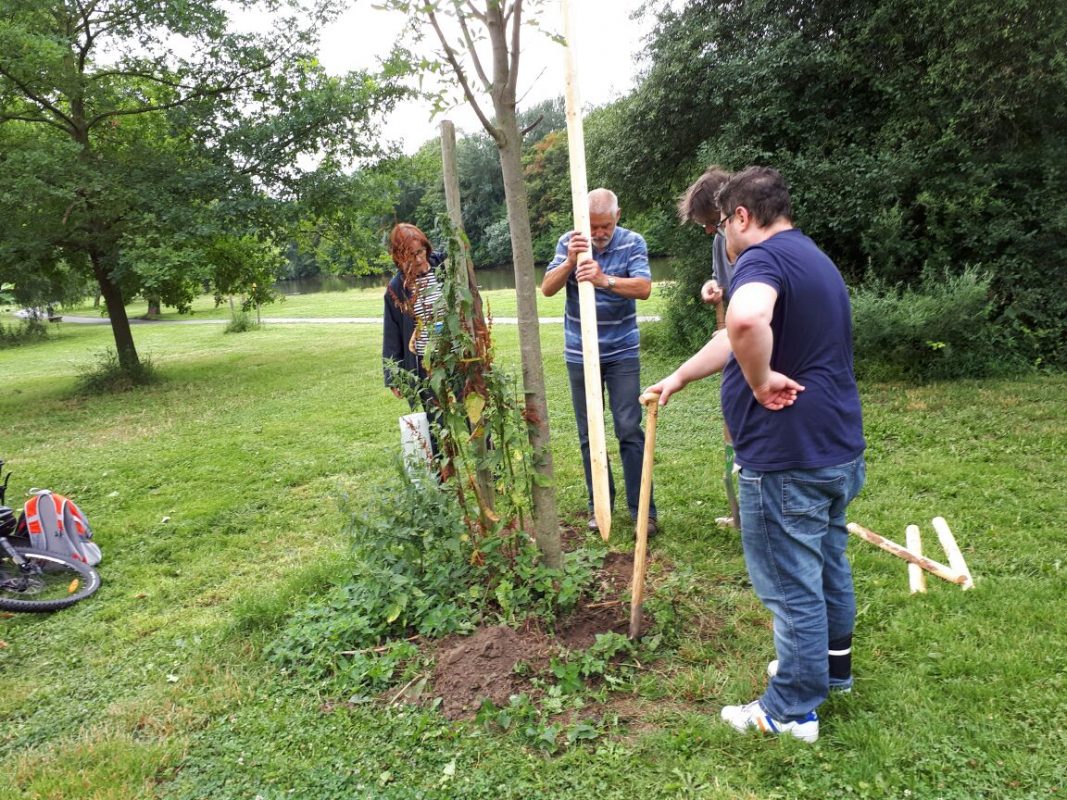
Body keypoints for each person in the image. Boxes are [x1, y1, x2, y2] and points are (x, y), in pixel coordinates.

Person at [646, 167, 866, 743]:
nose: (721, 235)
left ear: (741, 216)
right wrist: (679, 376)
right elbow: (729, 336)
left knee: (791, 585)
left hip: (787, 455)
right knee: (827, 566)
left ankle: (790, 709)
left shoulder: (760, 261)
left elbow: (744, 320)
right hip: (836, 447)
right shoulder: (811, 256)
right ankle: (829, 671)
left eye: (722, 224)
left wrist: (762, 378)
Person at [541, 188, 658, 535]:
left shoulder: (632, 242)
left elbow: (643, 288)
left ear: (617, 217)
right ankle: (599, 507)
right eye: (593, 226)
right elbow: (547, 288)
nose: (600, 233)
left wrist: (603, 279)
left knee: (627, 429)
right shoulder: (569, 242)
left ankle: (644, 512)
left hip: (621, 351)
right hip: (580, 353)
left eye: (605, 225)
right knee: (589, 433)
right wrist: (570, 263)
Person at [382, 223, 446, 459]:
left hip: (458, 357)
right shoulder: (396, 289)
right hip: (425, 366)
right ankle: (445, 483)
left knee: (475, 416)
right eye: (411, 255)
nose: (419, 260)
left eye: (421, 252)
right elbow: (392, 336)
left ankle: (488, 476)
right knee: (437, 425)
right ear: (399, 257)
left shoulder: (445, 267)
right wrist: (393, 376)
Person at [677, 166, 737, 307]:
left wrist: (731, 330)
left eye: (713, 222)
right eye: (704, 224)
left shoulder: (757, 246)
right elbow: (719, 281)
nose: (709, 231)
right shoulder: (719, 241)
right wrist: (712, 285)